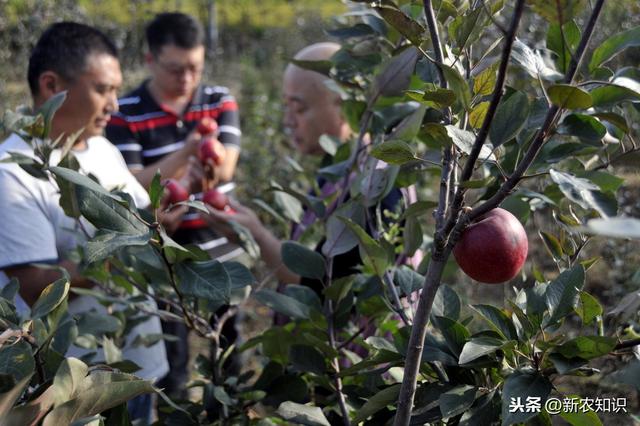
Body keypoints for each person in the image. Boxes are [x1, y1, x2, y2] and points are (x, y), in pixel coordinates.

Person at [0, 22, 171, 422]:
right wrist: (127, 254)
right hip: (74, 394)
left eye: (116, 89)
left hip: (135, 370)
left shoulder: (100, 148)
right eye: (102, 89)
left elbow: (143, 221)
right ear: (50, 86)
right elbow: (35, 285)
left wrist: (167, 219)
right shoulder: (12, 174)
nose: (115, 103)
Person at [106, 12, 243, 397]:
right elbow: (134, 182)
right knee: (171, 358)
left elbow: (226, 163)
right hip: (165, 252)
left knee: (229, 346)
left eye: (195, 68)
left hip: (221, 249)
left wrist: (187, 173)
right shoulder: (125, 110)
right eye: (175, 69)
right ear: (150, 60)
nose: (186, 79)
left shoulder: (219, 99)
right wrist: (189, 153)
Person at [201, 42, 407, 291]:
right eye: (286, 106)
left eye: (299, 108)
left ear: (344, 106)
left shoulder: (375, 185)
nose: (288, 120)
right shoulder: (339, 169)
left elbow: (324, 288)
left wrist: (256, 235)